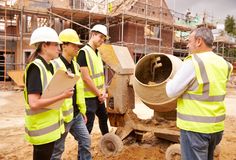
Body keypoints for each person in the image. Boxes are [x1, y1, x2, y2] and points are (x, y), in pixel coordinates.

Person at [166, 27, 233, 160]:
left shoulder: (194, 63)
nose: (187, 44)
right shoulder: (224, 64)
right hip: (216, 128)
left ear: (199, 41)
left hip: (195, 129)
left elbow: (171, 91)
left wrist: (170, 81)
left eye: (189, 41)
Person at [24, 26, 74, 160]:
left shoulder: (50, 66)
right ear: (45, 46)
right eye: (56, 44)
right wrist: (62, 96)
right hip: (41, 131)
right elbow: (34, 103)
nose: (59, 48)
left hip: (50, 130)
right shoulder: (35, 68)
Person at [50, 28, 92, 160]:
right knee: (58, 149)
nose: (77, 48)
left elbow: (78, 90)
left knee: (86, 141)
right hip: (62, 116)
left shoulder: (75, 65)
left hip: (76, 114)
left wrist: (82, 111)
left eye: (78, 45)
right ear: (64, 46)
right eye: (74, 45)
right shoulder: (54, 65)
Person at [77, 24, 109, 135]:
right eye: (100, 37)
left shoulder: (98, 53)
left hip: (98, 95)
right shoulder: (83, 52)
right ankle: (84, 151)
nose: (102, 41)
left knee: (104, 117)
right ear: (93, 34)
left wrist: (103, 92)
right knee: (88, 126)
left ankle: (107, 140)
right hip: (89, 98)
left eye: (104, 39)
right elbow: (85, 78)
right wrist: (99, 94)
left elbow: (101, 75)